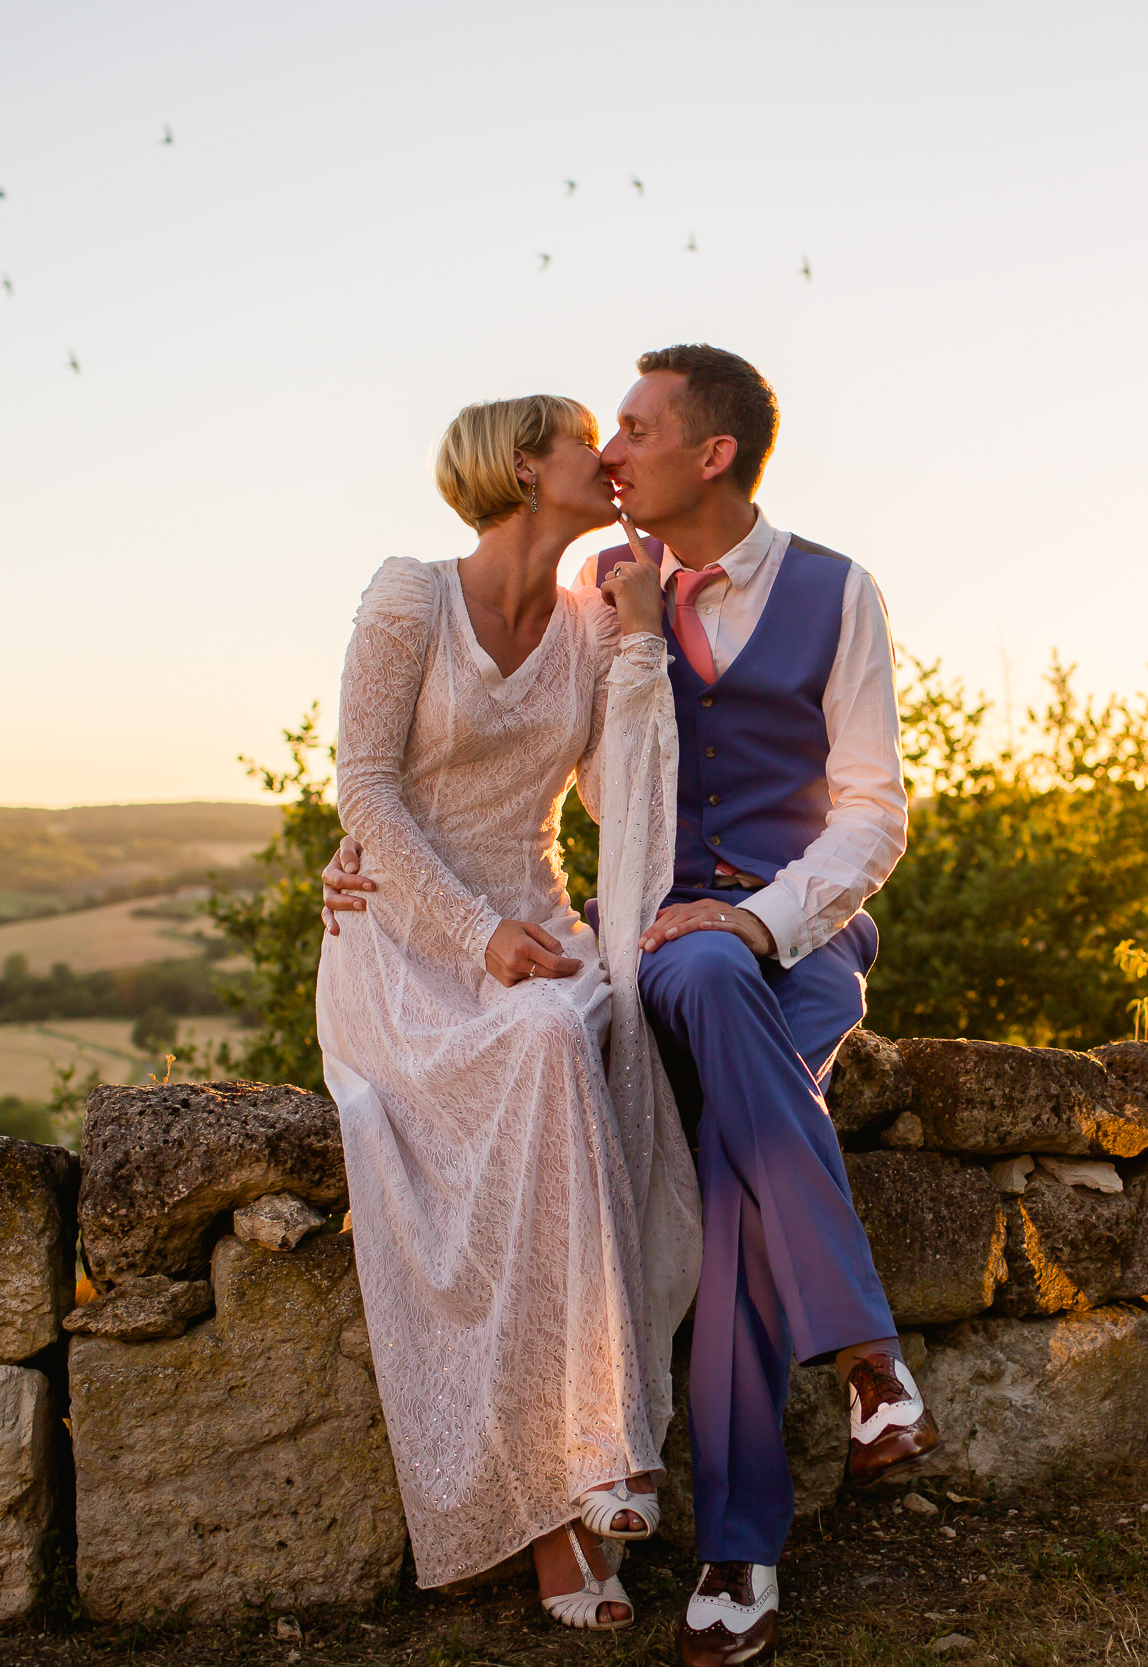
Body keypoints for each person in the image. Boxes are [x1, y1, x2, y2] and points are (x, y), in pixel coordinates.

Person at [328, 345, 939, 1666]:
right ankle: (840, 1397)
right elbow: (598, 798)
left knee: (723, 1090)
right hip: (645, 939)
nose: (613, 453)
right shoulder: (610, 602)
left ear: (706, 453)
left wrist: (766, 911)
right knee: (707, 1046)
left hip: (794, 941)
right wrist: (403, 878)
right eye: (598, 435)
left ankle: (738, 1538)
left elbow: (876, 808)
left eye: (638, 429)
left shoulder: (837, 594)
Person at [314, 393, 701, 1630]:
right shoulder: (407, 598)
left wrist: (641, 641)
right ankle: (582, 1488)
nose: (612, 458)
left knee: (589, 1043)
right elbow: (363, 787)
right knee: (542, 1041)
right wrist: (472, 935)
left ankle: (594, 1471)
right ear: (527, 467)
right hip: (407, 946)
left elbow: (624, 803)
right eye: (591, 439)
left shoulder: (594, 620)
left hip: (539, 930)